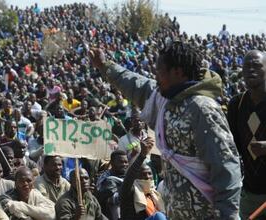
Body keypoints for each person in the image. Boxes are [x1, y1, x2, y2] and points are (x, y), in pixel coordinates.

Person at [90, 42, 242, 219]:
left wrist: (229, 215)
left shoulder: (202, 109)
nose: (155, 75)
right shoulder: (165, 101)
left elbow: (225, 166)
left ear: (177, 72)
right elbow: (138, 86)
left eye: (160, 70)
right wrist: (106, 66)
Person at [227, 50, 266, 219]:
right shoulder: (237, 105)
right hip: (250, 194)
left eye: (257, 65)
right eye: (247, 66)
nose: (251, 69)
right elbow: (231, 147)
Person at [119, 137, 166, 220]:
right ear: (136, 177)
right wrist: (142, 155)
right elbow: (129, 177)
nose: (147, 177)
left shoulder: (154, 194)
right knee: (159, 216)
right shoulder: (130, 191)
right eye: (143, 174)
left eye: (149, 174)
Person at [96, 150, 129, 220]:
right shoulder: (107, 180)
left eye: (126, 162)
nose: (124, 164)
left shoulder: (128, 176)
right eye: (121, 162)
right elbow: (112, 200)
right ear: (112, 163)